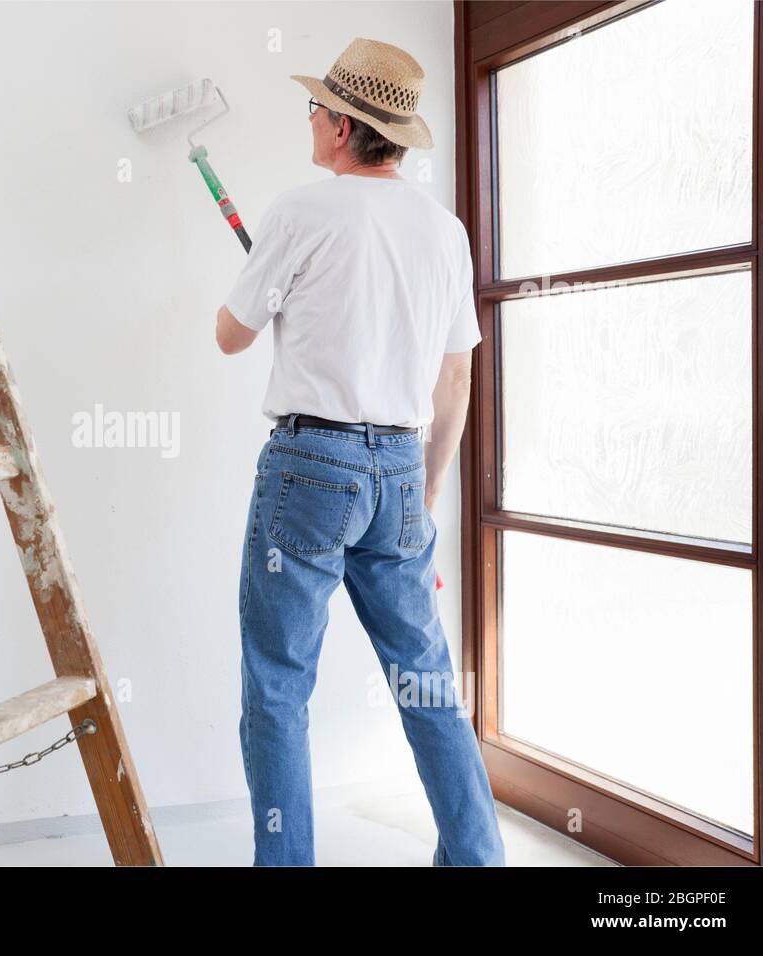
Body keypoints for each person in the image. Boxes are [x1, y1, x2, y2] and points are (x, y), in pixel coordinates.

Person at [215, 37, 506, 867]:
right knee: (427, 684)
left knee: (276, 691)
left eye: (315, 108)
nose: (309, 119)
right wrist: (429, 491)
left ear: (343, 127)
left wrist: (267, 299)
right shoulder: (443, 231)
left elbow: (230, 337)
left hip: (310, 469)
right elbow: (455, 383)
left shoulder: (301, 211)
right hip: (401, 473)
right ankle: (481, 859)